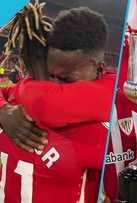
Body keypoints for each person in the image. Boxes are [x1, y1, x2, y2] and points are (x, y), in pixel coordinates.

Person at [0, 5, 114, 202]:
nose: (54, 87)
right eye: (50, 75)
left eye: (66, 80)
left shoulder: (98, 128)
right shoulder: (15, 99)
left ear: (99, 68)